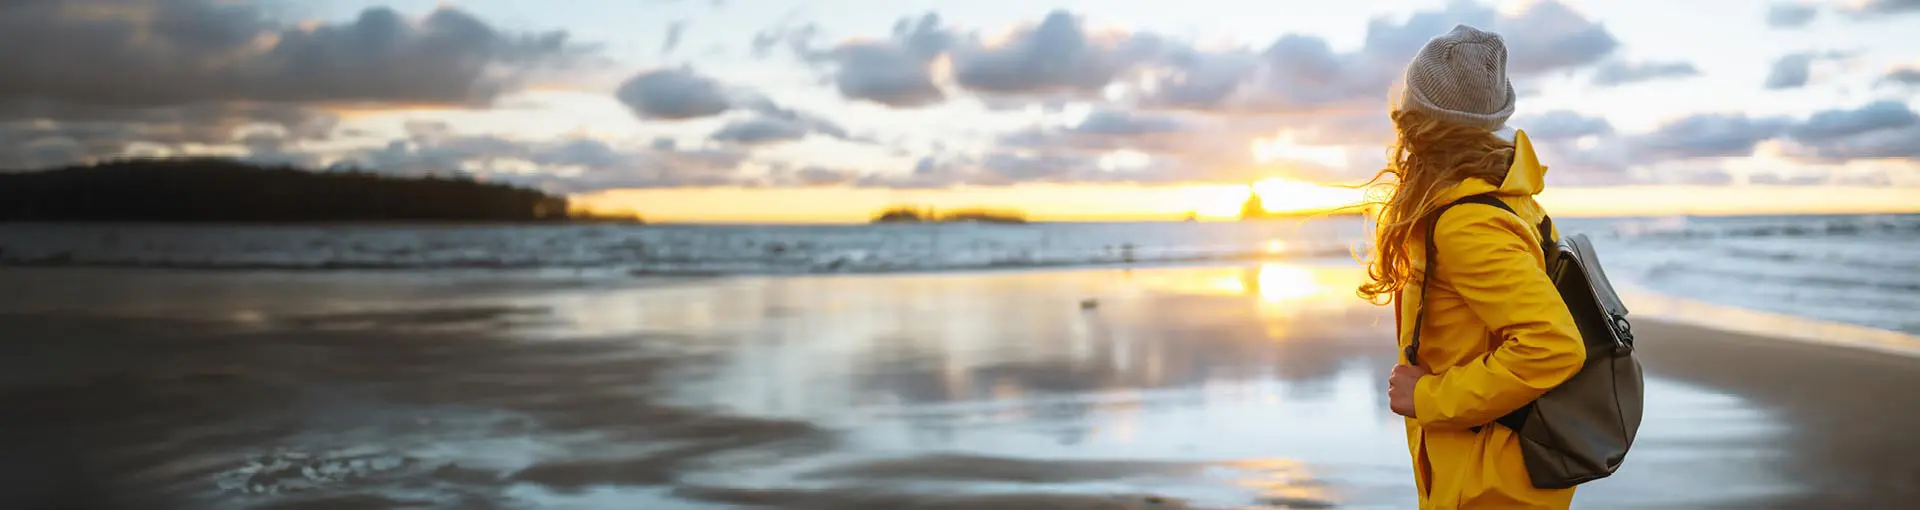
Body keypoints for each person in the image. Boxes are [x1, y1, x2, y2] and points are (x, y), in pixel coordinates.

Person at [1359, 25, 1588, 509]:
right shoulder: (1506, 195)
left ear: (1415, 116)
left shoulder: (1468, 221)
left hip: (1488, 484)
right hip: (1495, 468)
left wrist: (1428, 398)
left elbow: (1553, 346)